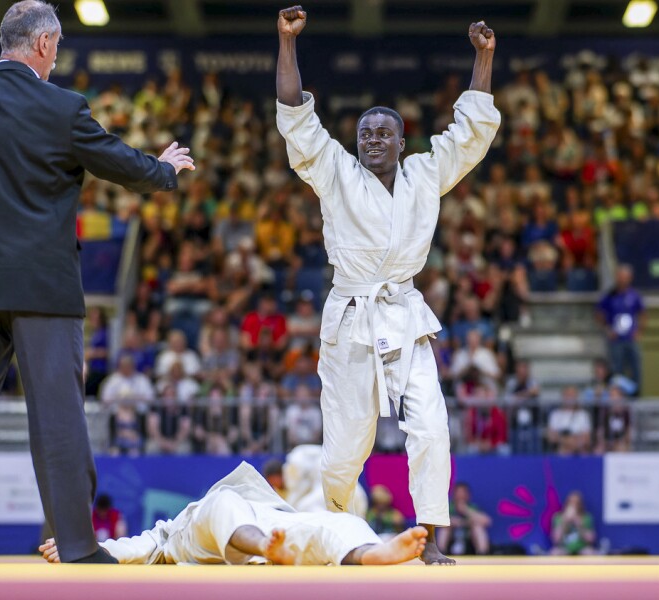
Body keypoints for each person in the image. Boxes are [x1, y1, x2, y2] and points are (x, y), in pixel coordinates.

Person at [0, 1, 194, 564]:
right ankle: (77, 546)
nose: (58, 57)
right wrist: (164, 170)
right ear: (43, 44)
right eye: (59, 47)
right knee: (59, 418)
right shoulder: (62, 107)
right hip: (43, 289)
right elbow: (117, 162)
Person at [274, 6, 500, 564]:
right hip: (351, 316)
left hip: (404, 312)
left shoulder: (425, 174)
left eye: (384, 134)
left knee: (430, 425)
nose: (373, 140)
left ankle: (429, 540)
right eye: (365, 134)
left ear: (402, 143)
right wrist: (286, 43)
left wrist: (484, 57)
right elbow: (296, 118)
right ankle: (339, 535)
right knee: (348, 450)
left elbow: (470, 132)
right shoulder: (335, 172)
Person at [39, 462, 428, 566]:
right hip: (201, 533)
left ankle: (373, 553)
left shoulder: (275, 502)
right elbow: (137, 545)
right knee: (224, 503)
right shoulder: (180, 522)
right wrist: (83, 547)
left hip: (271, 523)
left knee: (335, 521)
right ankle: (265, 547)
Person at [596, 264, 644, 394]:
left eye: (625, 277)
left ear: (630, 278)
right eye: (619, 277)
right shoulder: (609, 296)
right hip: (616, 340)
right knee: (617, 369)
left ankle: (636, 395)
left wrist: (638, 331)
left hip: (631, 338)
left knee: (636, 367)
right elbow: (599, 314)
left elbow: (642, 314)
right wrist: (608, 329)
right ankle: (617, 396)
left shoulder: (635, 295)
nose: (622, 280)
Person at [437, 482, 491, 556]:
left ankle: (483, 554)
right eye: (458, 493)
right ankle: (441, 553)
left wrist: (465, 510)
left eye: (463, 493)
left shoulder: (472, 507)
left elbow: (487, 521)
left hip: (469, 539)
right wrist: (453, 522)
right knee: (444, 528)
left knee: (478, 528)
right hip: (452, 537)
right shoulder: (448, 507)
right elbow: (437, 522)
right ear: (454, 494)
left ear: (468, 495)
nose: (461, 495)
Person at [550, 491, 596, 555]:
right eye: (571, 503)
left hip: (581, 548)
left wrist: (579, 525)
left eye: (576, 503)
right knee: (555, 552)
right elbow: (556, 540)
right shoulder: (558, 518)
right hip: (564, 548)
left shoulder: (586, 518)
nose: (573, 505)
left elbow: (591, 540)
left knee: (590, 552)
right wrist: (564, 523)